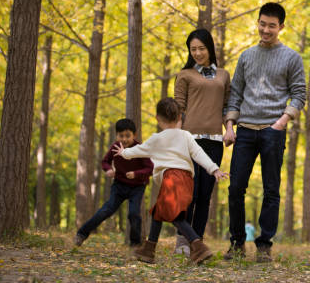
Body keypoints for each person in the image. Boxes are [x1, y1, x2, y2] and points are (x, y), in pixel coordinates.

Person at [223, 2, 306, 262]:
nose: (266, 29)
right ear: (257, 22)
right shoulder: (246, 56)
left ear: (281, 27)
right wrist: (229, 125)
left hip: (273, 130)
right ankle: (237, 243)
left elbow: (299, 94)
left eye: (271, 25)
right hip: (245, 130)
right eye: (262, 23)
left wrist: (281, 122)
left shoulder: (292, 57)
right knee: (235, 187)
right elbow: (235, 93)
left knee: (272, 190)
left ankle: (263, 245)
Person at [114, 97, 228, 265]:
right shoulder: (186, 136)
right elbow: (199, 154)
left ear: (158, 119)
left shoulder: (157, 138)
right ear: (180, 117)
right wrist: (214, 169)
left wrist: (124, 153)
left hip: (171, 178)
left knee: (175, 217)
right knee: (158, 213)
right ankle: (148, 249)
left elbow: (139, 150)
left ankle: (198, 246)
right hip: (187, 180)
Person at [173, 28, 231, 255]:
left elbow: (227, 106)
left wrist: (229, 129)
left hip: (215, 141)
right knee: (191, 192)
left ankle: (197, 242)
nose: (197, 53)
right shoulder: (185, 74)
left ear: (210, 48)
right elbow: (178, 108)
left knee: (205, 194)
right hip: (190, 140)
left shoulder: (224, 75)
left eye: (201, 48)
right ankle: (183, 241)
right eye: (193, 49)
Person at [74, 118, 153, 247]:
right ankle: (81, 234)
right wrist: (109, 169)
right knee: (106, 210)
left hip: (137, 187)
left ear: (135, 135)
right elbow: (104, 161)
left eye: (128, 136)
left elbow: (150, 168)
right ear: (117, 135)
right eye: (121, 136)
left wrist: (136, 174)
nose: (124, 139)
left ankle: (135, 244)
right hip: (119, 185)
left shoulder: (140, 149)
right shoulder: (115, 147)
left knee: (134, 214)